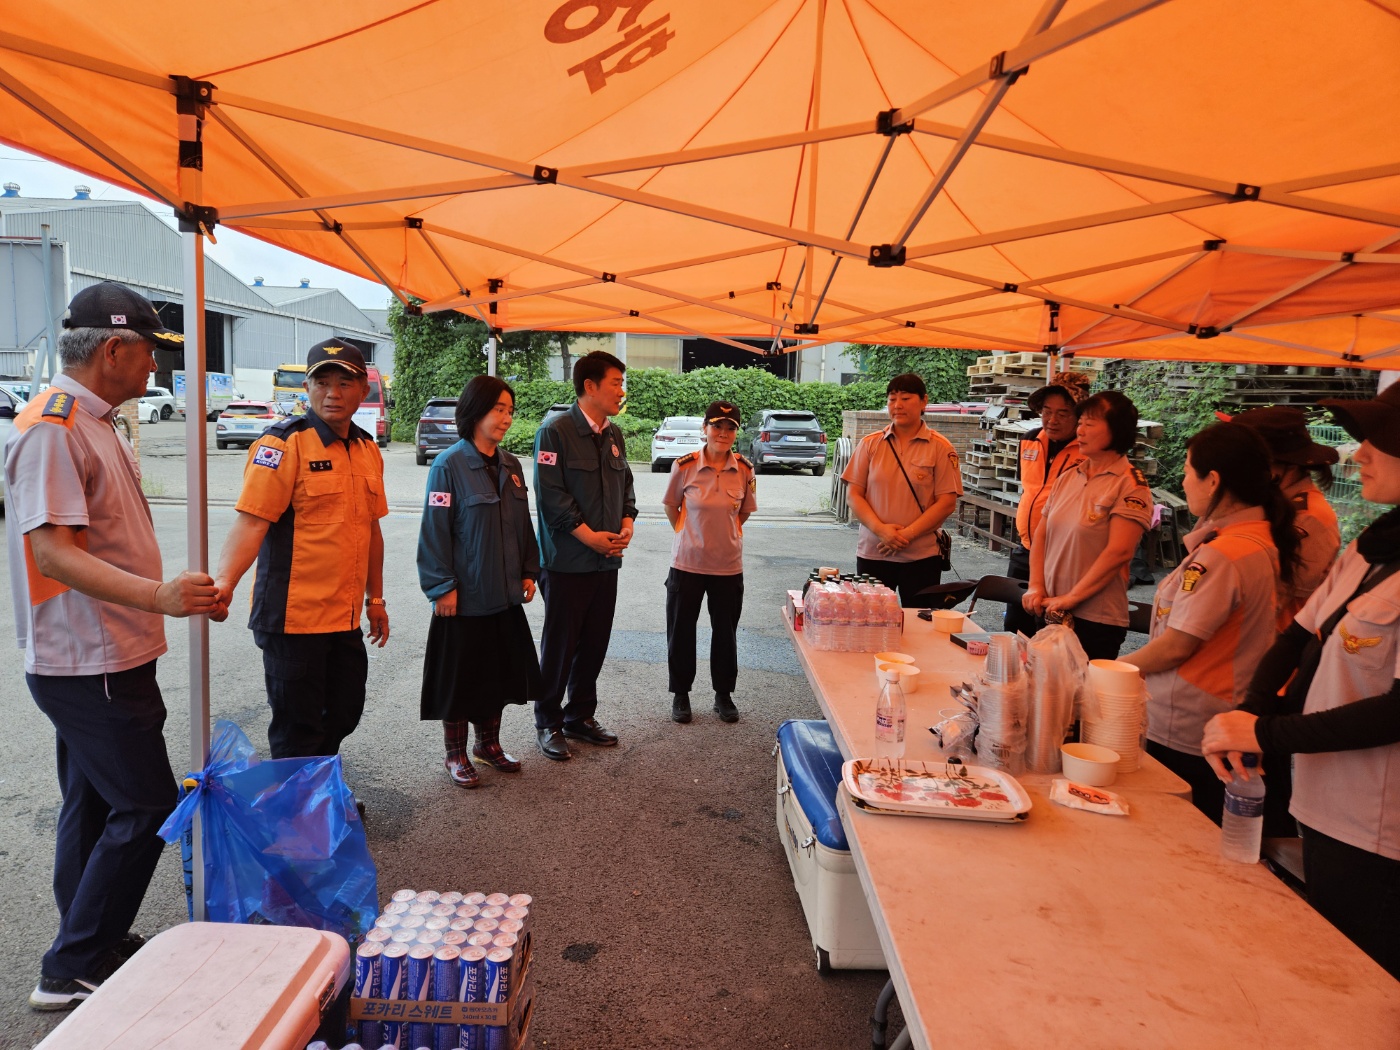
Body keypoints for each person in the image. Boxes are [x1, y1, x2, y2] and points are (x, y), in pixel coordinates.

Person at [5, 282, 222, 1010]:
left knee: (94, 803)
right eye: (151, 351)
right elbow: (54, 554)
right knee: (146, 804)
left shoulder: (94, 421)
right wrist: (160, 596)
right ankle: (70, 965)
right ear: (114, 349)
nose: (157, 366)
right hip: (87, 657)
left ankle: (89, 936)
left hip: (108, 651)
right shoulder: (55, 428)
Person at [1200, 382, 1400, 980]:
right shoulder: (1375, 547)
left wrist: (1267, 732)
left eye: (1380, 442)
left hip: (1379, 828)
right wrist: (1251, 716)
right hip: (1323, 801)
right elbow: (1296, 636)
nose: (1360, 455)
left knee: (1363, 984)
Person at [213, 338, 389, 760]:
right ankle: (298, 799)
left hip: (343, 616)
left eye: (344, 383)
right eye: (322, 383)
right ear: (307, 389)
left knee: (344, 712)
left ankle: (315, 785)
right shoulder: (282, 445)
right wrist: (224, 583)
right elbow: (252, 521)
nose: (333, 393)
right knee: (298, 727)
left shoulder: (367, 449)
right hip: (293, 619)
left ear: (362, 390)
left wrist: (376, 599)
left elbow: (371, 529)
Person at [1123, 422, 1298, 822]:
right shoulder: (1260, 539)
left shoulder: (1225, 555)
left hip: (1193, 726)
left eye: (1188, 471)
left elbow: (1177, 645)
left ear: (1214, 480)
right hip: (1219, 717)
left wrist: (1108, 670)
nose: (1184, 482)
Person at [417, 376, 542, 787]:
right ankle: (454, 754)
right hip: (464, 598)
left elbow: (523, 526)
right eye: (498, 409)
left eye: (510, 410)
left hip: (503, 595)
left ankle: (487, 746)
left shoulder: (511, 466)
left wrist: (529, 570)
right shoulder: (448, 465)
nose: (506, 418)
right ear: (475, 412)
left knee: (497, 675)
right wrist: (441, 587)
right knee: (461, 680)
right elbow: (435, 530)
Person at [532, 350, 637, 760]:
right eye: (616, 383)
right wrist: (589, 537)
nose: (621, 391)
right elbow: (551, 497)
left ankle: (580, 716)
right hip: (566, 562)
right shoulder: (554, 431)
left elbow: (626, 487)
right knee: (560, 645)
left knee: (594, 642)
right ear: (589, 386)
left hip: (605, 560)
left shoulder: (614, 434)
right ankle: (548, 721)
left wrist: (627, 523)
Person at [1023, 391, 1152, 660]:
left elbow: (1119, 552)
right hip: (1050, 609)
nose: (1080, 430)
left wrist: (1071, 598)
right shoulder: (1069, 477)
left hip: (1096, 619)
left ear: (1117, 430)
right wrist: (1035, 585)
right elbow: (1041, 537)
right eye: (1080, 422)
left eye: (1089, 424)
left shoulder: (1130, 484)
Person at [662, 400, 757, 724]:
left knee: (725, 633)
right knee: (681, 631)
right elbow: (671, 506)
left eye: (730, 428)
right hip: (687, 563)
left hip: (727, 566)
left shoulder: (744, 469)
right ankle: (681, 694)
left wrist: (722, 535)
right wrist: (689, 534)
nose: (723, 433)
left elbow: (744, 512)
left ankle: (723, 695)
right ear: (705, 429)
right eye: (717, 426)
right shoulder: (685, 466)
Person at [841, 373, 961, 606]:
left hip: (922, 558)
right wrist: (881, 531)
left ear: (924, 401)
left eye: (905, 398)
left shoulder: (941, 448)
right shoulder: (870, 444)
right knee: (871, 618)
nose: (897, 405)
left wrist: (906, 535)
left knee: (920, 622)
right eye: (892, 399)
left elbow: (946, 502)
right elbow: (854, 495)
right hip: (874, 552)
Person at [1228, 405, 1341, 621]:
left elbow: (1278, 595)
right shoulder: (1265, 501)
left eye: (1249, 463)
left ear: (1287, 466)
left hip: (1277, 632)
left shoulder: (1309, 518)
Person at [1005, 384, 1082, 634]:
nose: (1052, 420)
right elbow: (1029, 489)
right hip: (1026, 548)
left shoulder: (1087, 450)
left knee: (1050, 633)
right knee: (1014, 627)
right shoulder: (1030, 440)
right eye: (1047, 411)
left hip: (1062, 558)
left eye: (1063, 413)